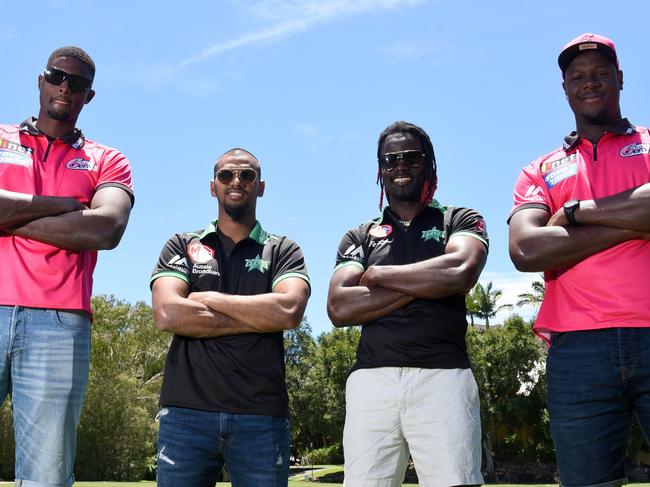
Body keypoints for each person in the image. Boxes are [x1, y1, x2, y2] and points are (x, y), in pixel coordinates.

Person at [508, 33, 650, 486]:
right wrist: (636, 222)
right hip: (577, 351)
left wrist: (576, 212)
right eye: (578, 77)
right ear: (565, 88)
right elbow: (527, 249)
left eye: (600, 74)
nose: (589, 83)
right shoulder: (541, 170)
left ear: (620, 79)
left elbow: (552, 236)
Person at [0, 46, 134, 486]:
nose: (65, 87)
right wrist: (62, 206)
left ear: (88, 97)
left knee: (47, 475)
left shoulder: (107, 159)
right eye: (57, 76)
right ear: (40, 79)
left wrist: (11, 221)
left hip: (59, 324)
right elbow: (82, 220)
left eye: (77, 84)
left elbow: (105, 229)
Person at [327, 121, 488, 487]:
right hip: (372, 380)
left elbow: (460, 272)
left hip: (443, 377)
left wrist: (379, 276)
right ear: (380, 171)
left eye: (411, 158)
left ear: (430, 165)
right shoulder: (360, 235)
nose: (400, 165)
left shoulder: (458, 219)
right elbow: (339, 306)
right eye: (390, 159)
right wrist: (430, 282)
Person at [151, 148, 310, 486]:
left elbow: (289, 310)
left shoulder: (284, 249)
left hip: (261, 419)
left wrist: (210, 299)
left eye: (247, 175)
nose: (236, 181)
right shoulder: (182, 244)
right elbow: (168, 313)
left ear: (261, 186)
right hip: (186, 416)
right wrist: (258, 316)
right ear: (213, 187)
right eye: (226, 175)